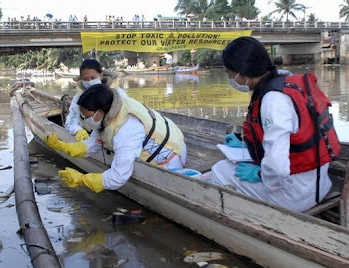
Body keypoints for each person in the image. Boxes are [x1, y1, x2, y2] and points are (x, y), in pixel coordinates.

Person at [211, 36, 341, 212]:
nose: (231, 79)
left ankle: (255, 218)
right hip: (320, 182)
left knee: (219, 170)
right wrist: (246, 144)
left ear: (241, 72)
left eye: (230, 74)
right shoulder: (286, 80)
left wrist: (259, 173)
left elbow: (277, 169)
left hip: (297, 195)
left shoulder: (273, 101)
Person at [45, 84, 187, 193]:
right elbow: (91, 145)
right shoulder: (110, 114)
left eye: (86, 116)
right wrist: (62, 146)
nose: (84, 120)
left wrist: (83, 179)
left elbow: (118, 177)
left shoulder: (126, 131)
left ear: (100, 111)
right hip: (172, 138)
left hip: (169, 159)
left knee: (124, 166)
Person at [64, 59, 119, 141]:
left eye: (93, 78)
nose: (89, 82)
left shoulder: (116, 93)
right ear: (81, 79)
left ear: (101, 75)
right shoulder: (79, 97)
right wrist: (78, 130)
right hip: (88, 135)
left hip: (114, 135)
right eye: (85, 79)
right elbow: (71, 120)